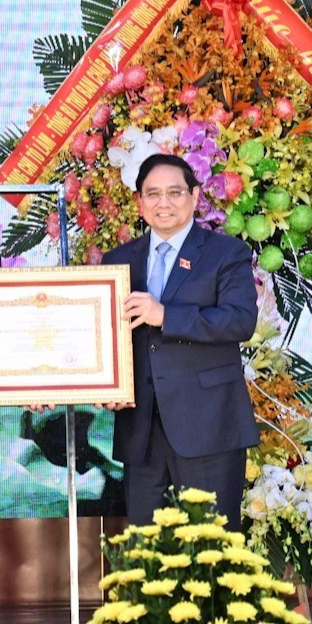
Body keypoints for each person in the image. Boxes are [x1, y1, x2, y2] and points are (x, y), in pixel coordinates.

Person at [103, 152, 259, 524]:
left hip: (208, 426)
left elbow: (239, 321)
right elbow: (104, 335)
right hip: (141, 429)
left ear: (195, 196)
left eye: (174, 192)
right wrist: (104, 385)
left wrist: (165, 315)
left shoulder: (227, 253)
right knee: (146, 553)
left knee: (214, 551)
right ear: (139, 203)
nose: (164, 202)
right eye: (152, 194)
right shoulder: (118, 260)